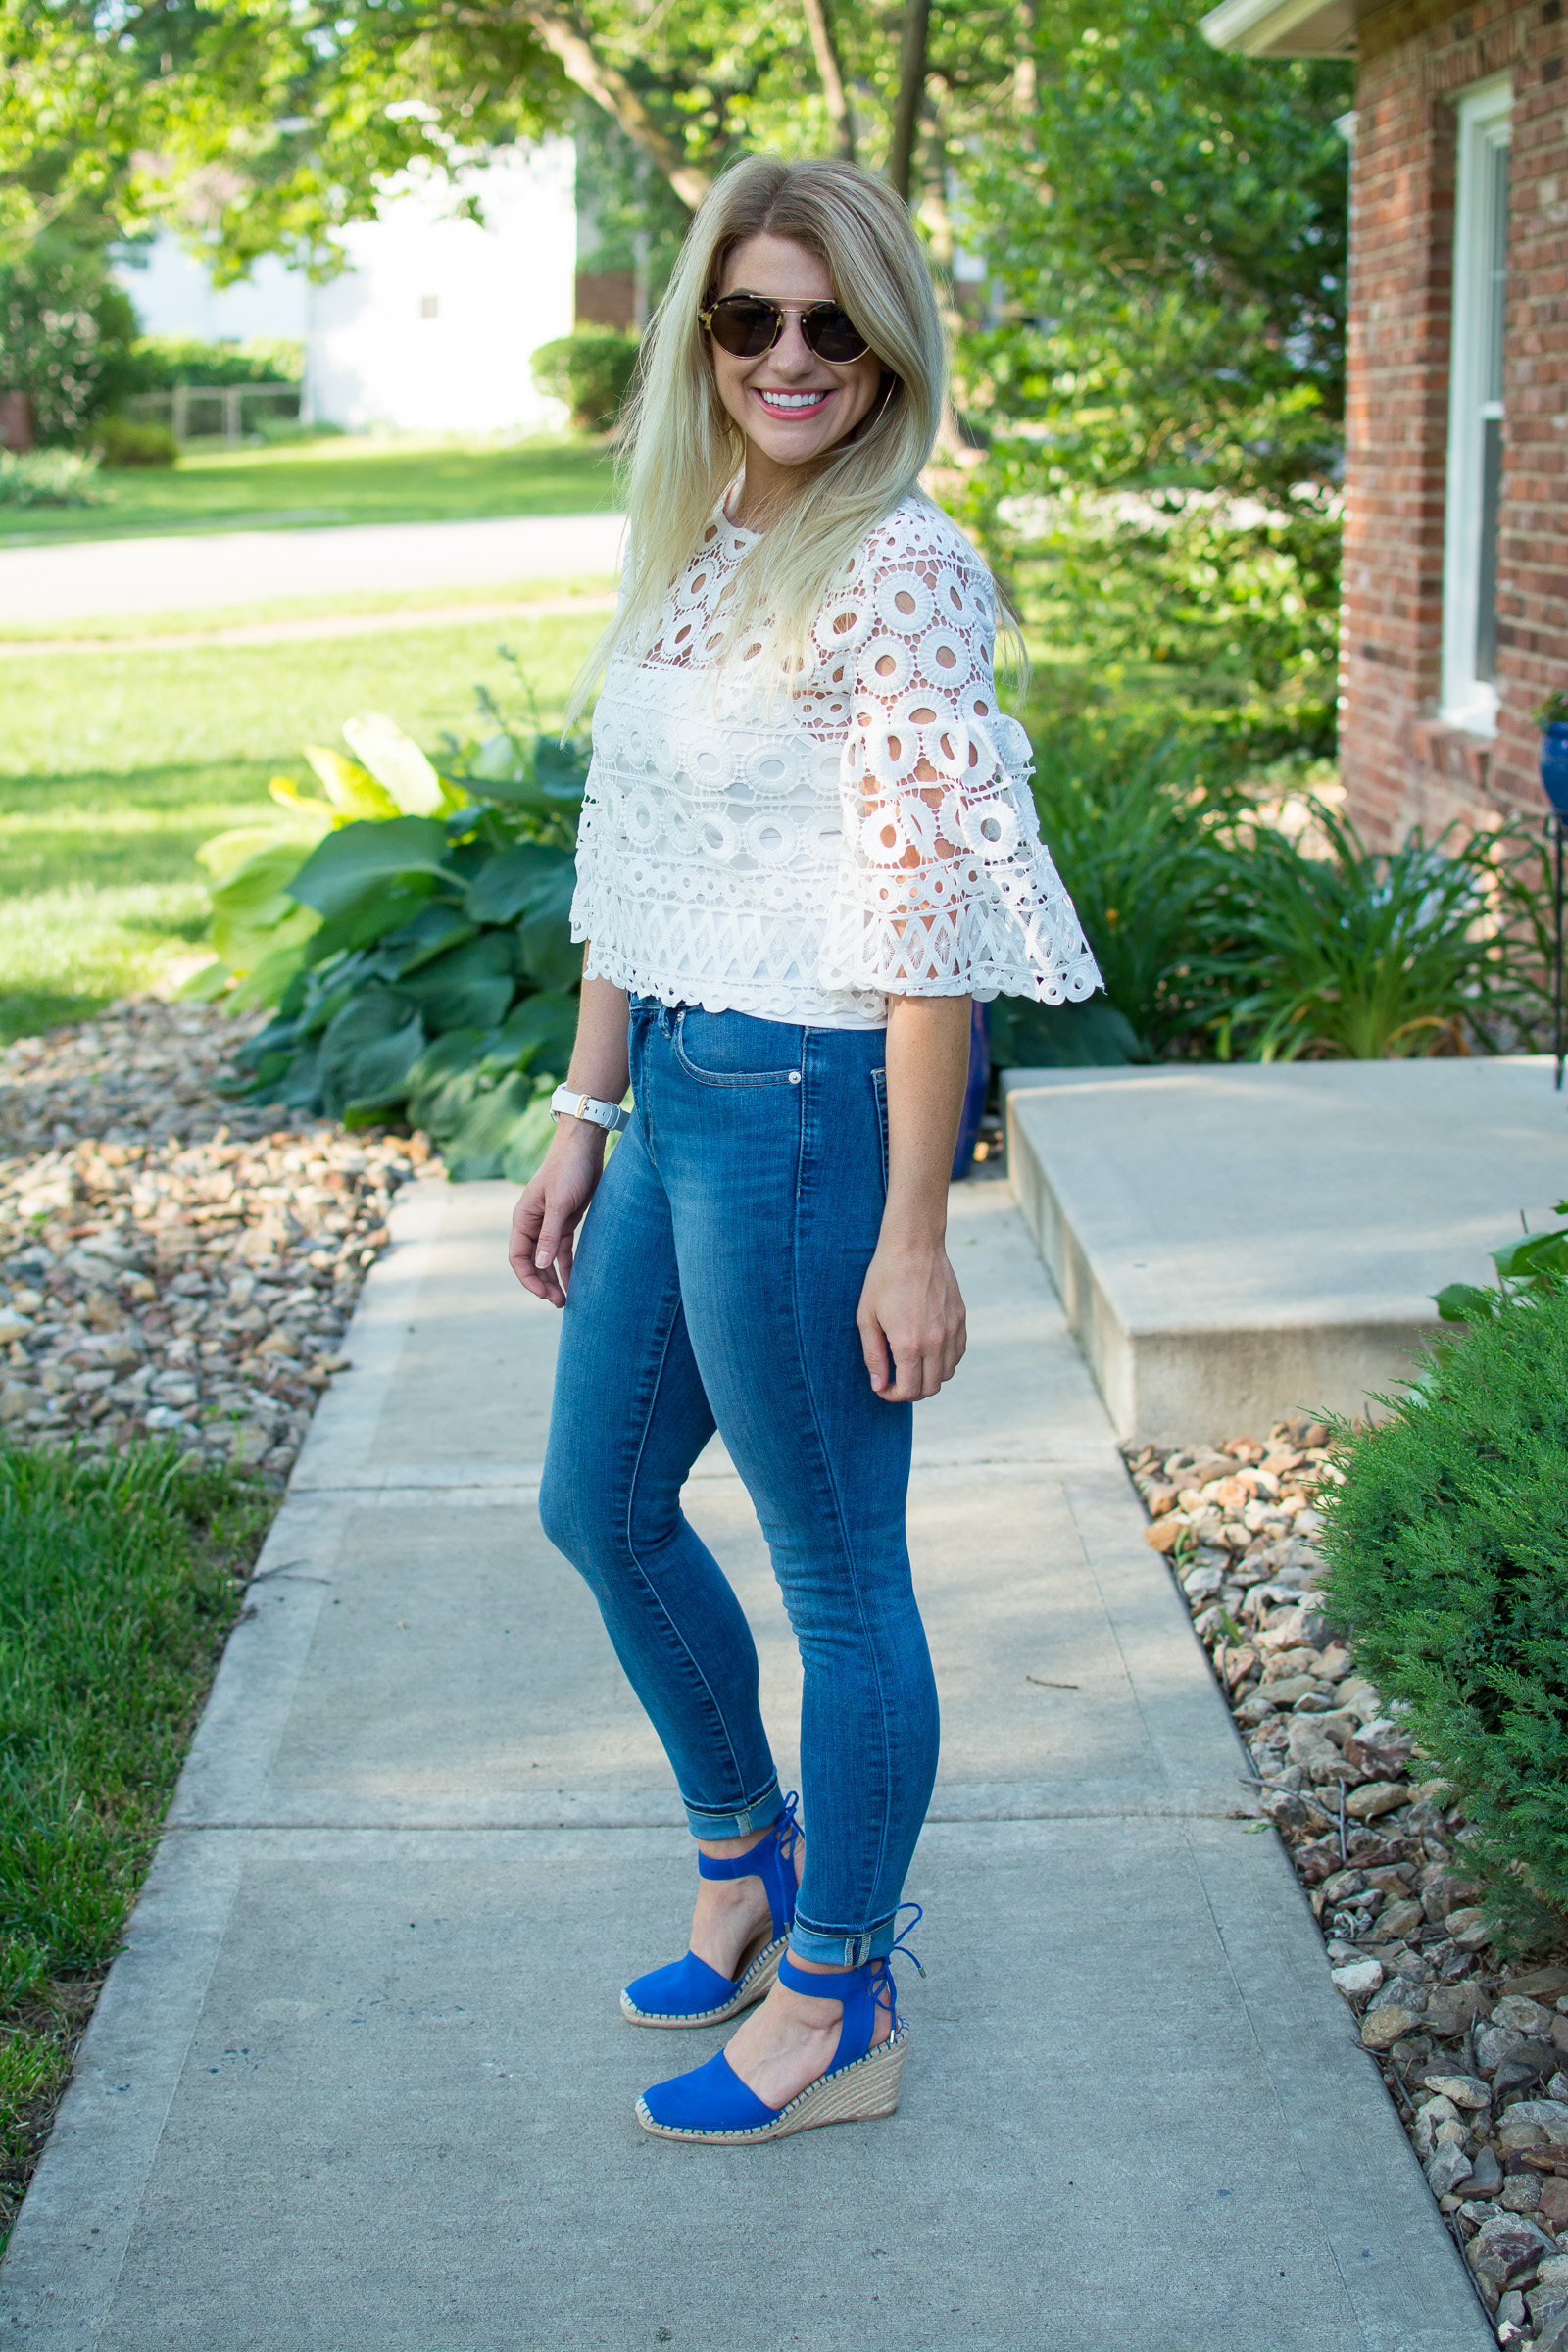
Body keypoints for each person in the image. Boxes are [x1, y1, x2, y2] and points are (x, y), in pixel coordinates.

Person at [511, 152, 1099, 2146]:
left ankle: (838, 1988)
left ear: (885, 349)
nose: (791, 355)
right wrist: (582, 1117)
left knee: (840, 1578)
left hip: (807, 1111)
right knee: (596, 1504)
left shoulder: (897, 566)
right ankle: (744, 1852)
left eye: (833, 323)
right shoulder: (698, 550)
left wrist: (915, 1233)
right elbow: (635, 861)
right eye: (753, 315)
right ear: (699, 331)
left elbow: (927, 924)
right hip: (674, 1091)